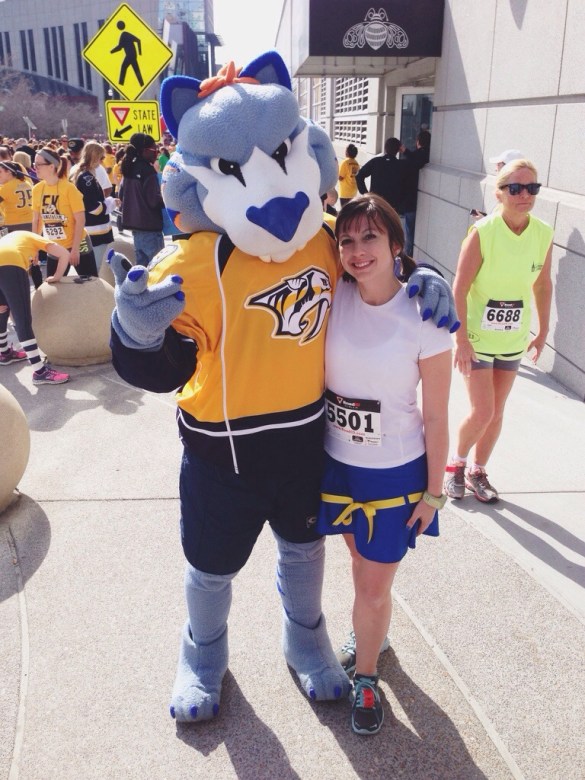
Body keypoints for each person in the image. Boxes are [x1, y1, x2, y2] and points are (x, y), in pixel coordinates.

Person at [109, 51, 458, 725]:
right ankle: (203, 656)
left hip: (305, 442)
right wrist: (136, 333)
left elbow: (374, 266)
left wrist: (421, 279)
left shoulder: (324, 240)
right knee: (210, 569)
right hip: (221, 452)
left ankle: (306, 644)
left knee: (303, 554)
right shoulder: (198, 260)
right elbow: (165, 368)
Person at [316, 194, 452, 735]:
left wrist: (434, 491)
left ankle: (367, 677)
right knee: (361, 568)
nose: (356, 250)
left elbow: (437, 417)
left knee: (373, 587)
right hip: (337, 467)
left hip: (395, 473)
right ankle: (374, 632)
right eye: (347, 239)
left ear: (397, 244)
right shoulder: (334, 294)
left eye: (370, 237)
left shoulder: (426, 316)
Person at [444, 159, 553, 503]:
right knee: (483, 410)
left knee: (498, 410)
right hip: (476, 339)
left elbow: (542, 286)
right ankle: (455, 465)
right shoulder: (484, 232)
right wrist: (460, 338)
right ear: (500, 192)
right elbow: (458, 288)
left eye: (532, 188)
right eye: (515, 188)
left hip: (512, 338)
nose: (525, 195)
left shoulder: (542, 233)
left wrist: (543, 329)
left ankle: (479, 470)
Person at [0, 230, 70, 384]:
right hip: (11, 262)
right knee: (23, 318)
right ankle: (40, 371)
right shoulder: (35, 238)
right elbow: (64, 253)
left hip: (3, 259)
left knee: (2, 309)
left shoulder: (14, 239)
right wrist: (57, 276)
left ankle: (4, 353)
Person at [31, 146, 97, 280]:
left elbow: (81, 220)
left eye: (39, 164)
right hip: (55, 246)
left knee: (91, 284)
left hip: (79, 244)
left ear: (51, 167)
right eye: (34, 164)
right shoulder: (37, 189)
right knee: (53, 287)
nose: (35, 168)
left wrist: (75, 249)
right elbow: (36, 221)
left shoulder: (69, 188)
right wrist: (34, 248)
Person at [119, 133, 164, 265]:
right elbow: (153, 201)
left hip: (136, 228)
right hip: (150, 227)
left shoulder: (128, 168)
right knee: (157, 269)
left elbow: (121, 195)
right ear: (145, 151)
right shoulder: (147, 171)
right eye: (154, 150)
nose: (156, 153)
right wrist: (167, 198)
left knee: (142, 272)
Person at [70, 141, 114, 274]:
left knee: (91, 268)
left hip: (88, 228)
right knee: (96, 269)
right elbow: (93, 207)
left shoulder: (78, 172)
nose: (102, 161)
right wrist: (110, 203)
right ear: (95, 158)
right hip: (95, 230)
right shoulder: (87, 178)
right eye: (101, 158)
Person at [399, 129, 431, 256]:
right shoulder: (428, 155)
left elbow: (415, 159)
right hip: (418, 199)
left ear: (418, 142)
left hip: (410, 200)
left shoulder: (416, 158)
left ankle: (408, 254)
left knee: (409, 229)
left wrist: (405, 151)